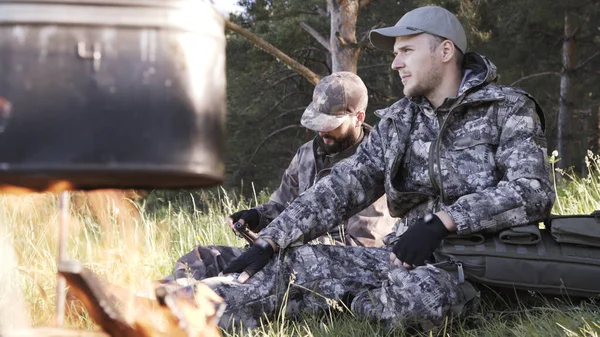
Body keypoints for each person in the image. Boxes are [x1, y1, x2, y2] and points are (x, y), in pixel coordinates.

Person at [204, 5, 555, 331]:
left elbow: (533, 191)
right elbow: (341, 187)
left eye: (407, 51)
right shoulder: (399, 121)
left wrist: (444, 221)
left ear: (445, 51)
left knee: (417, 299)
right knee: (293, 264)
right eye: (395, 54)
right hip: (400, 260)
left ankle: (346, 305)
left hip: (477, 265)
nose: (395, 64)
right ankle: (186, 311)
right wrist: (271, 240)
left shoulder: (507, 109)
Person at [165, 72, 395, 282]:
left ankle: (188, 306)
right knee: (201, 259)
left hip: (325, 270)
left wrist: (282, 244)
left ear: (358, 117)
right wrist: (256, 216)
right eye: (318, 121)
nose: (322, 131)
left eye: (331, 124)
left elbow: (362, 246)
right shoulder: (307, 154)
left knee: (233, 284)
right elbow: (283, 206)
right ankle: (158, 300)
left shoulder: (375, 163)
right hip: (279, 250)